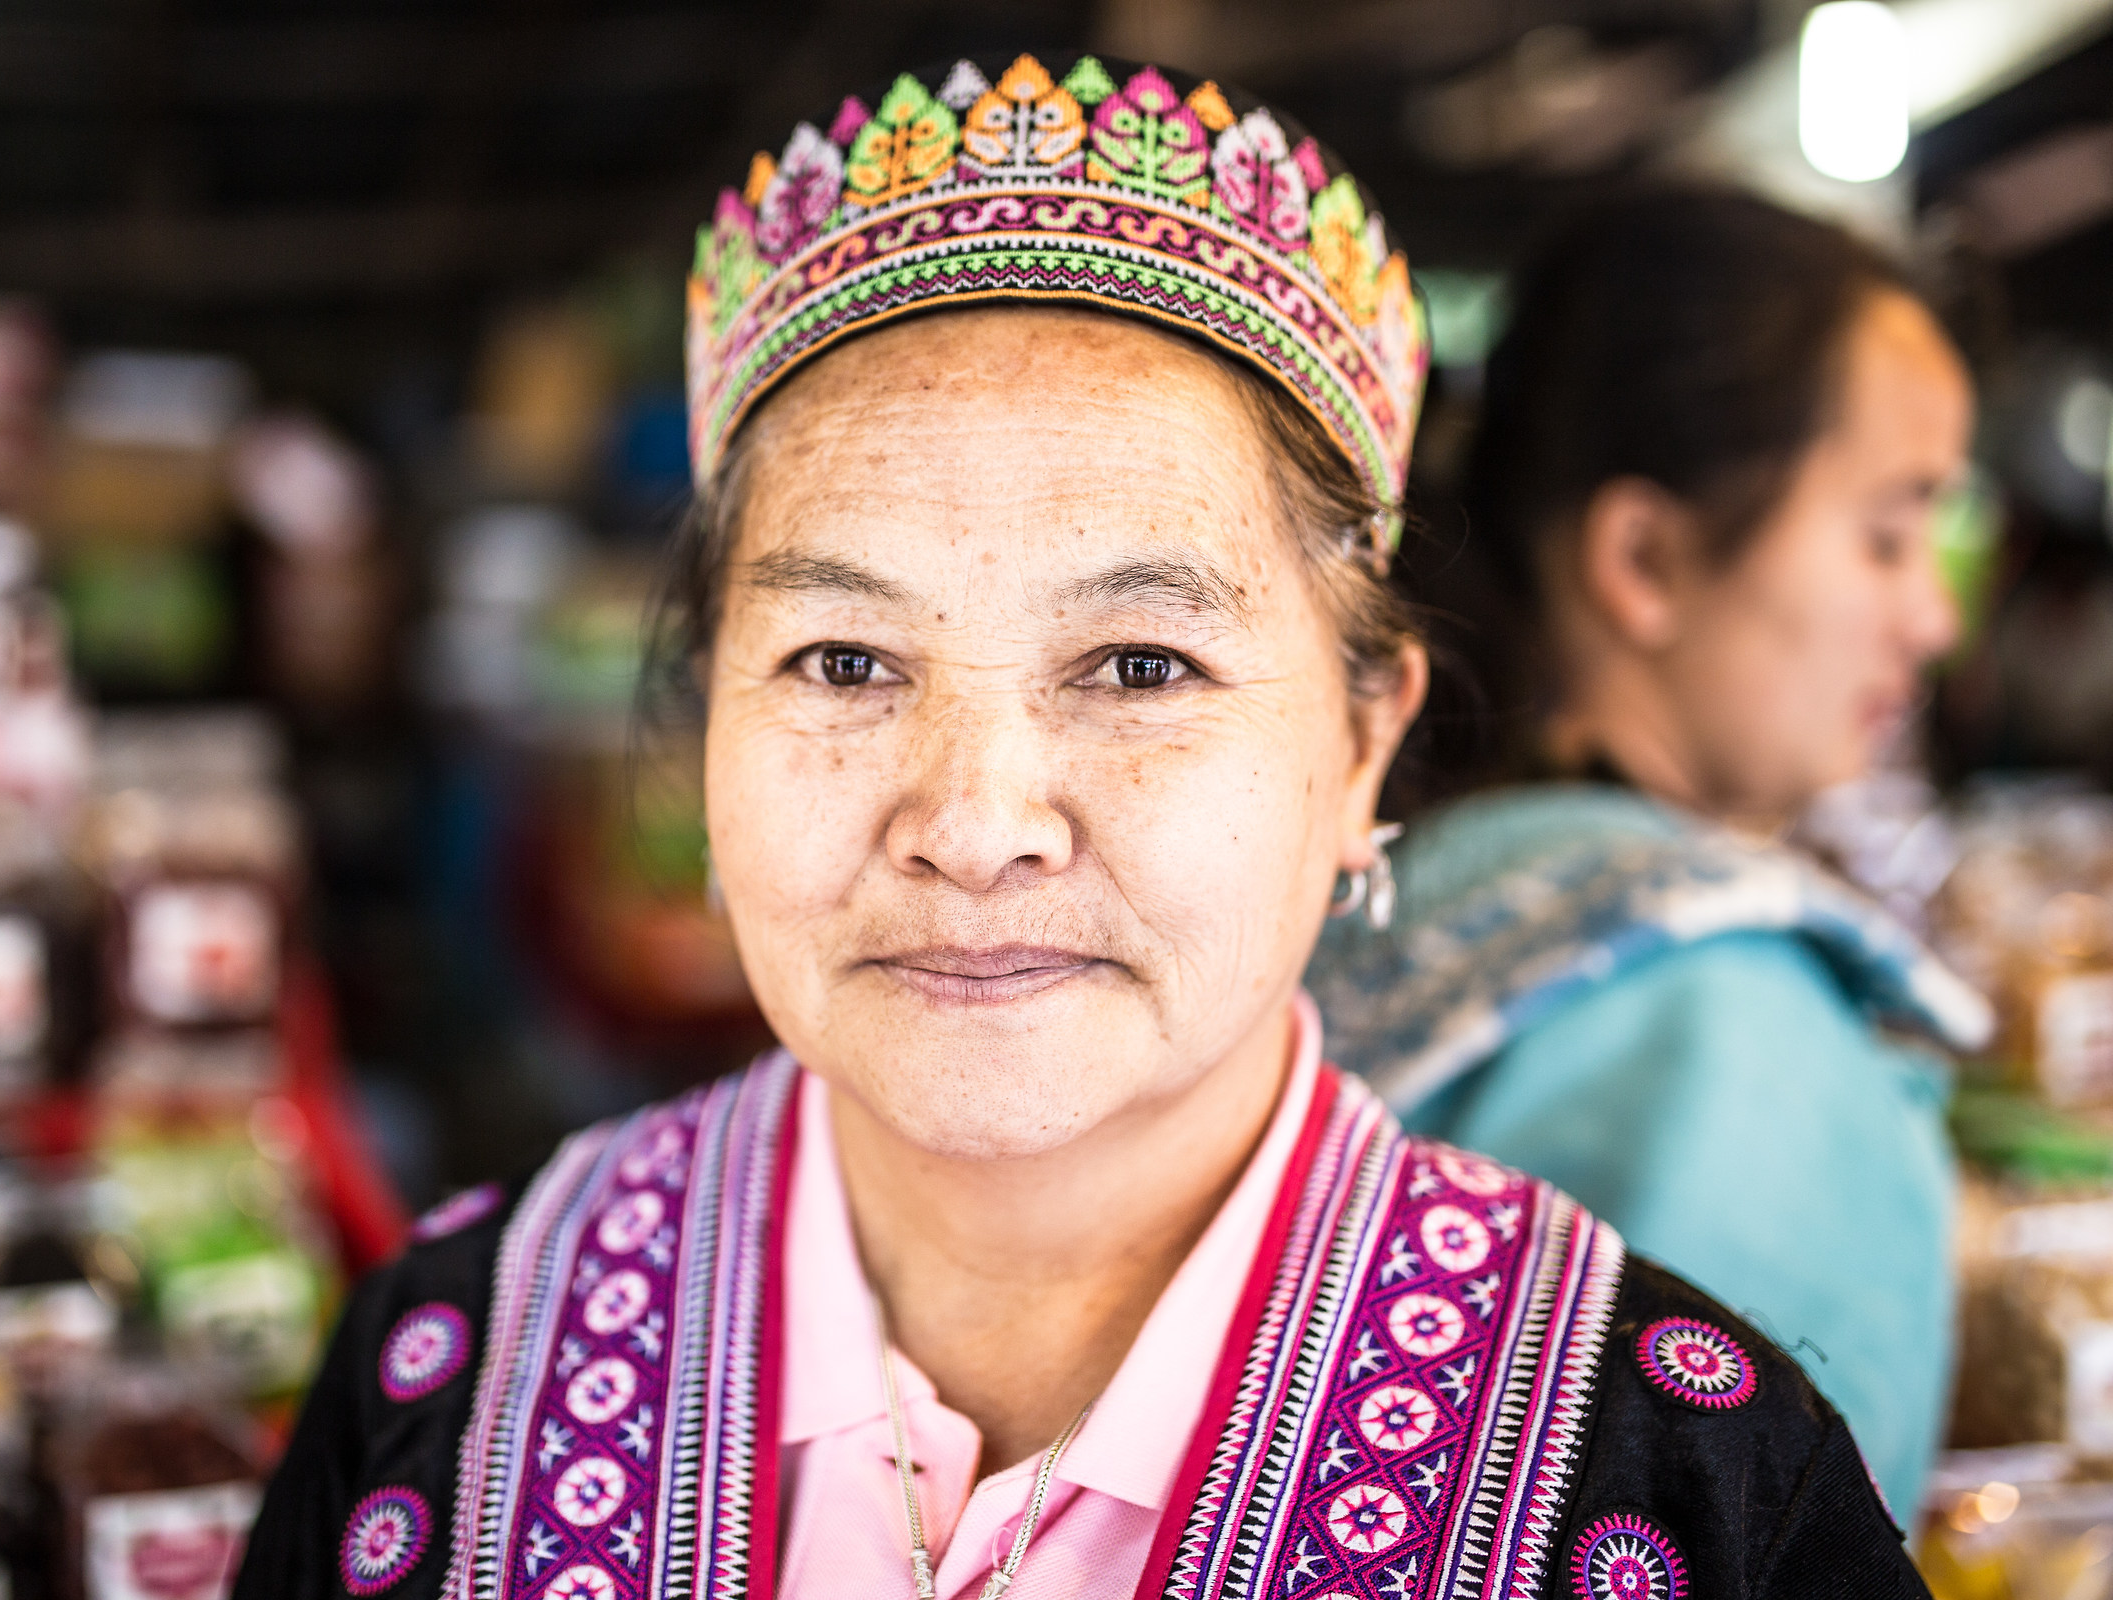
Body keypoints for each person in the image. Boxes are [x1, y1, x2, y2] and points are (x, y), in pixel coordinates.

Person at [237, 60, 1924, 1599]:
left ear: (1360, 748)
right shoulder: (448, 1381)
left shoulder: (1682, 1490)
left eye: (1139, 662)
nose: (975, 823)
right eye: (844, 660)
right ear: (705, 729)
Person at [1310, 189, 1991, 1522]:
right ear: (1648, 558)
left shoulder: (1416, 870)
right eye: (1887, 532)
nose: (1933, 617)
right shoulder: (1729, 1030)